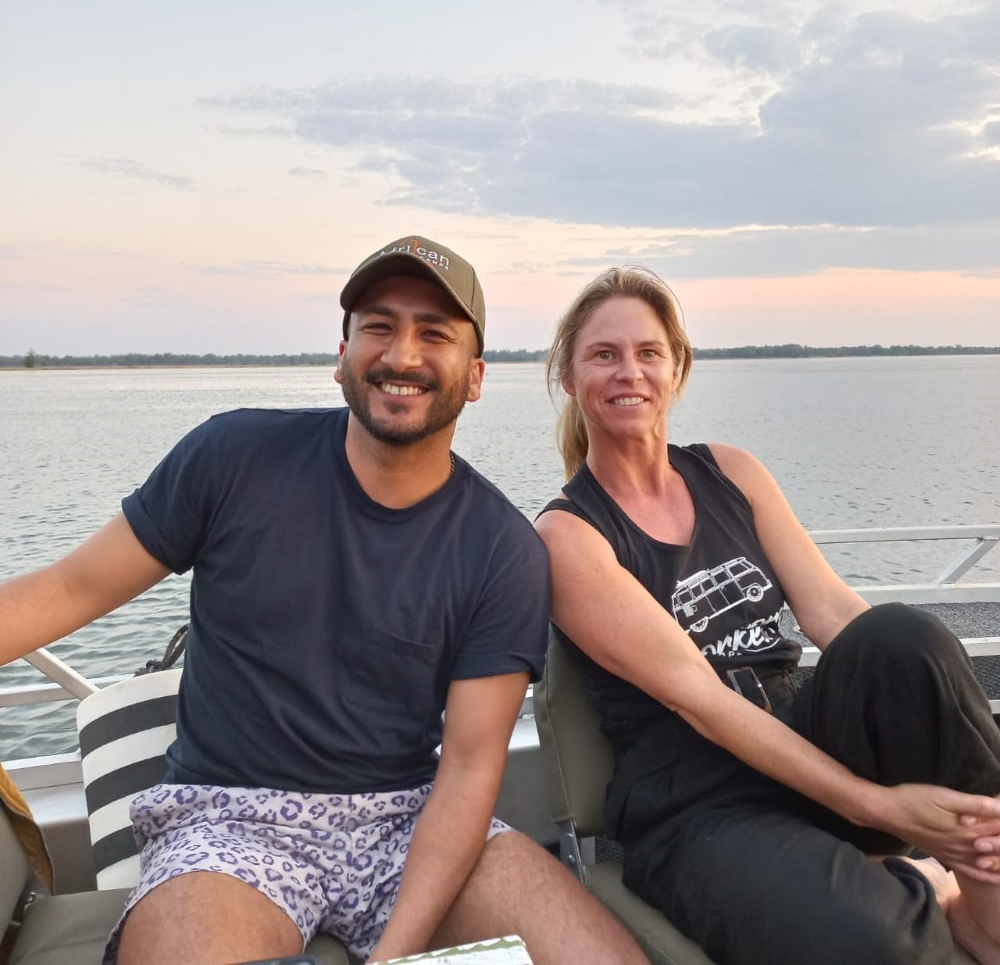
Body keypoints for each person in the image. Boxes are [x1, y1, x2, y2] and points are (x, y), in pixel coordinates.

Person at [0, 236, 647, 965]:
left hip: (407, 819)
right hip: (229, 820)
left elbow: (468, 769)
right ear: (343, 354)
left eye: (434, 333)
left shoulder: (501, 549)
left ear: (474, 377)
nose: (401, 354)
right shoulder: (232, 459)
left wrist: (396, 953)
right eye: (378, 325)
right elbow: (70, 587)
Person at [534, 266, 1000, 965]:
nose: (628, 371)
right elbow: (702, 702)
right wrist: (878, 808)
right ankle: (918, 890)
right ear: (569, 378)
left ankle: (985, 922)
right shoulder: (570, 535)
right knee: (869, 945)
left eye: (648, 352)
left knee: (909, 636)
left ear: (678, 368)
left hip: (800, 736)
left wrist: (918, 713)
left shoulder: (732, 472)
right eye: (604, 354)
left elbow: (838, 614)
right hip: (695, 803)